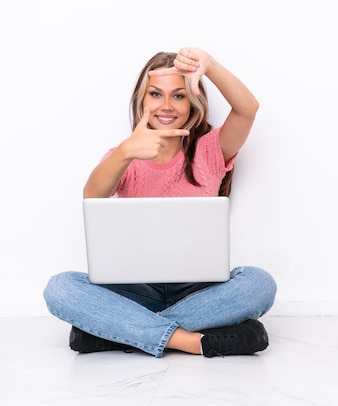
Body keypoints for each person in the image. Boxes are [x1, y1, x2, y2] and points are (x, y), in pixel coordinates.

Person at [43, 47, 277, 358]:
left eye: (178, 96)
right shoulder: (122, 156)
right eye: (156, 94)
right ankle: (191, 341)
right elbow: (92, 198)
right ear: (142, 100)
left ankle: (116, 334)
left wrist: (209, 66)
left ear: (193, 102)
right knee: (60, 287)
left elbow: (247, 108)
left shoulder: (209, 150)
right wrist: (126, 152)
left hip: (200, 290)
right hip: (137, 291)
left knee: (259, 283)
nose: (166, 105)